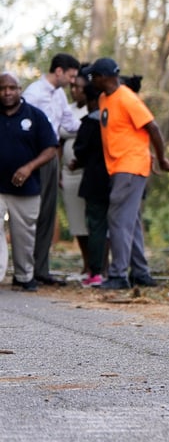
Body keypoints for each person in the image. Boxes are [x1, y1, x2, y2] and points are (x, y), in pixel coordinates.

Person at [83, 57, 169, 290]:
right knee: (130, 222)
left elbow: (152, 127)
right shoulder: (105, 98)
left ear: (104, 77)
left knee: (117, 220)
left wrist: (162, 157)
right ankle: (141, 273)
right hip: (119, 167)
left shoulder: (127, 98)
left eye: (93, 76)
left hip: (130, 166)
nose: (91, 80)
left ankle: (118, 275)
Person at [22, 52, 83, 285]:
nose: (72, 81)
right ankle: (24, 270)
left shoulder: (59, 95)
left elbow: (69, 123)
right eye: (71, 75)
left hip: (51, 157)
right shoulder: (32, 93)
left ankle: (41, 269)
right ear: (58, 71)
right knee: (30, 213)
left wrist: (95, 127)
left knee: (47, 213)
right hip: (33, 157)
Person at [0, 72, 59, 292]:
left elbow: (51, 149)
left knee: (23, 237)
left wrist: (29, 167)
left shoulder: (35, 116)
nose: (7, 92)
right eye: (2, 88)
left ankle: (24, 276)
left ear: (19, 89)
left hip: (25, 188)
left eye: (11, 88)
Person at [71, 82, 111, 287]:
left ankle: (96, 271)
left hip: (95, 180)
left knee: (96, 226)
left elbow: (80, 150)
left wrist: (77, 161)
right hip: (118, 179)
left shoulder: (89, 123)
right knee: (118, 226)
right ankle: (114, 270)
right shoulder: (114, 118)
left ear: (91, 100)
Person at [60, 70, 91, 278]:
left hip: (85, 172)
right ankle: (85, 263)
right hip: (67, 174)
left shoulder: (93, 109)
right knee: (75, 220)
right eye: (72, 87)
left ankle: (95, 265)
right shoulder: (67, 109)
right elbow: (59, 141)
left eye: (78, 87)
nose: (74, 90)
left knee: (90, 219)